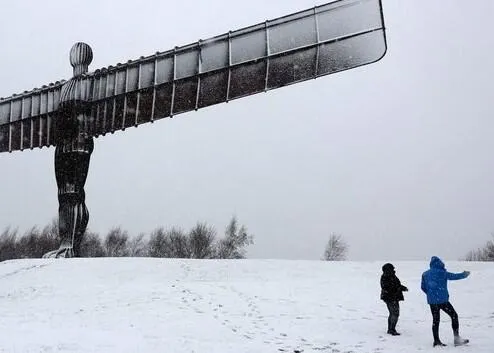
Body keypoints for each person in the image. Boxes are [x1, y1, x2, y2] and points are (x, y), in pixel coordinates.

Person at [421, 256, 470, 347]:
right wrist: (464, 274)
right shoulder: (442, 273)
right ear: (440, 263)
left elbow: (423, 287)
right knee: (454, 316)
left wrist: (431, 295)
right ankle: (456, 339)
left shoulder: (425, 274)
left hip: (432, 302)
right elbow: (454, 276)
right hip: (443, 301)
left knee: (436, 320)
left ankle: (436, 341)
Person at [380, 263, 408, 335]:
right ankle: (391, 329)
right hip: (390, 298)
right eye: (392, 269)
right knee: (395, 313)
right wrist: (398, 289)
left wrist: (402, 288)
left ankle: (390, 329)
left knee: (393, 313)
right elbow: (388, 287)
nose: (393, 270)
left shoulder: (390, 276)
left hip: (391, 297)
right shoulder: (386, 277)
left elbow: (396, 285)